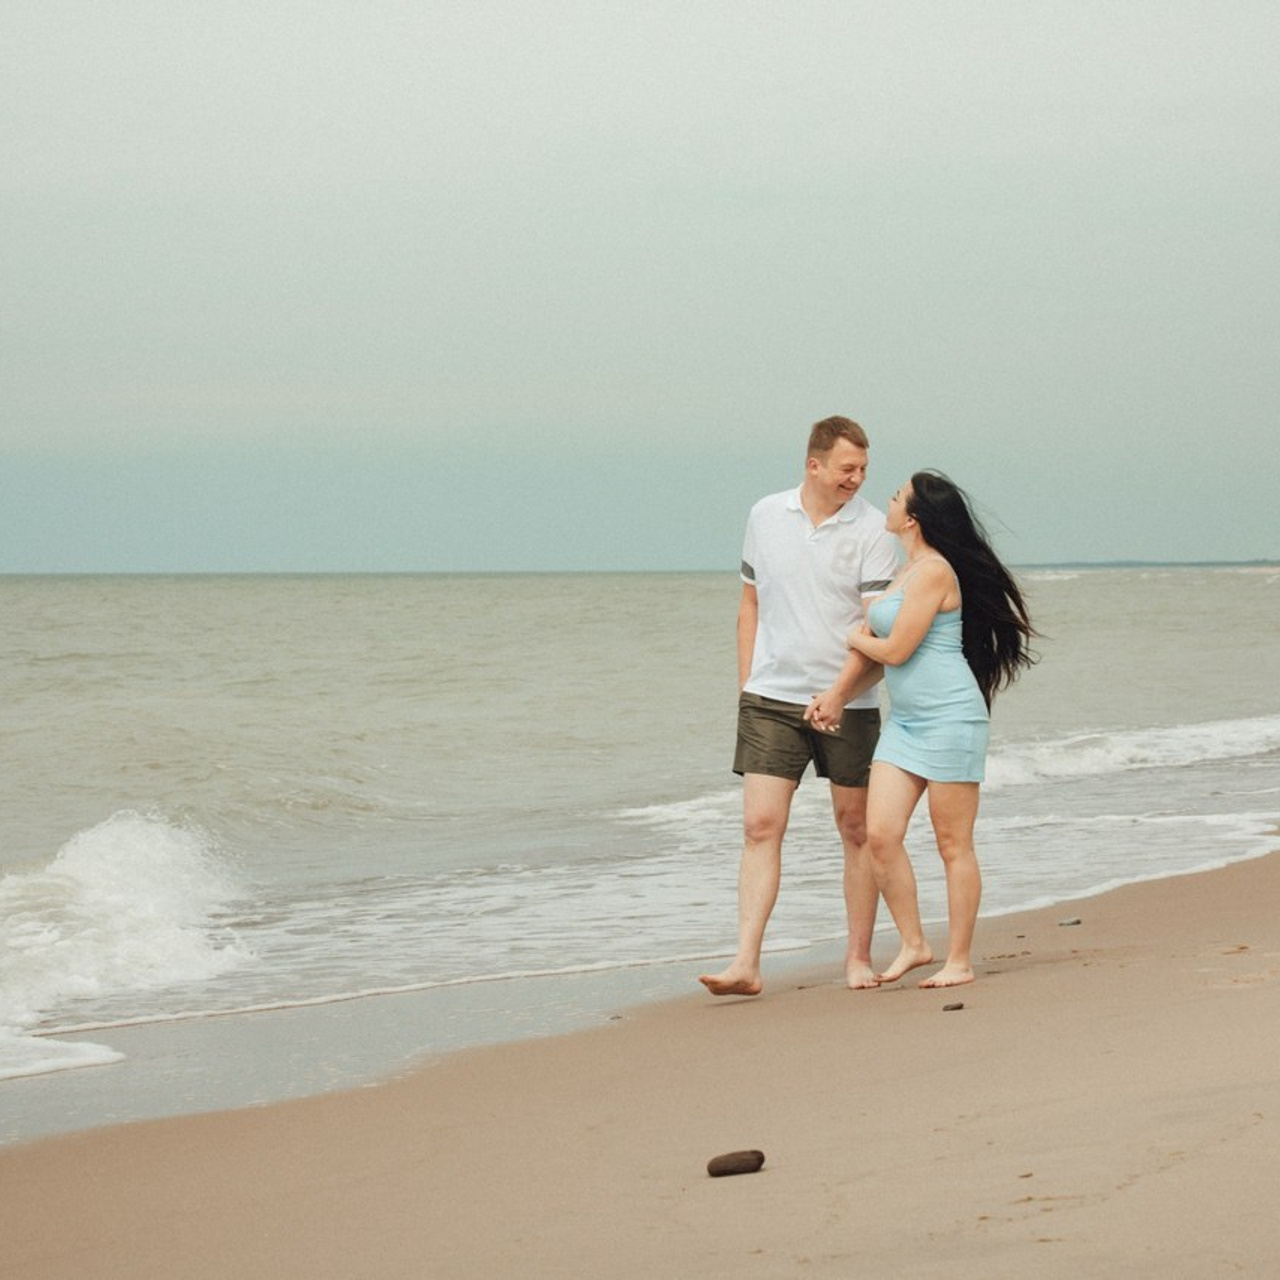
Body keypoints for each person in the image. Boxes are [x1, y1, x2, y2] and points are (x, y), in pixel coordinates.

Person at [698, 416, 899, 996]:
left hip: (850, 700)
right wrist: (748, 687)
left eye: (863, 469)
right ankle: (746, 962)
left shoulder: (872, 531)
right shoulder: (765, 515)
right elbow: (749, 606)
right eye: (846, 468)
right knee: (760, 826)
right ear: (813, 465)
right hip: (770, 699)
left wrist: (839, 693)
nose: (857, 478)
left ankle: (857, 958)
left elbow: (876, 629)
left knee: (856, 827)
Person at [820, 470, 1036, 989]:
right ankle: (915, 943)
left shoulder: (936, 572)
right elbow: (886, 650)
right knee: (879, 836)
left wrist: (855, 635)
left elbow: (896, 650)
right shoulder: (905, 570)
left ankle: (959, 960)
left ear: (913, 518)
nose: (887, 502)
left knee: (952, 843)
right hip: (908, 723)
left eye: (896, 497)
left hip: (951, 718)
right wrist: (838, 692)